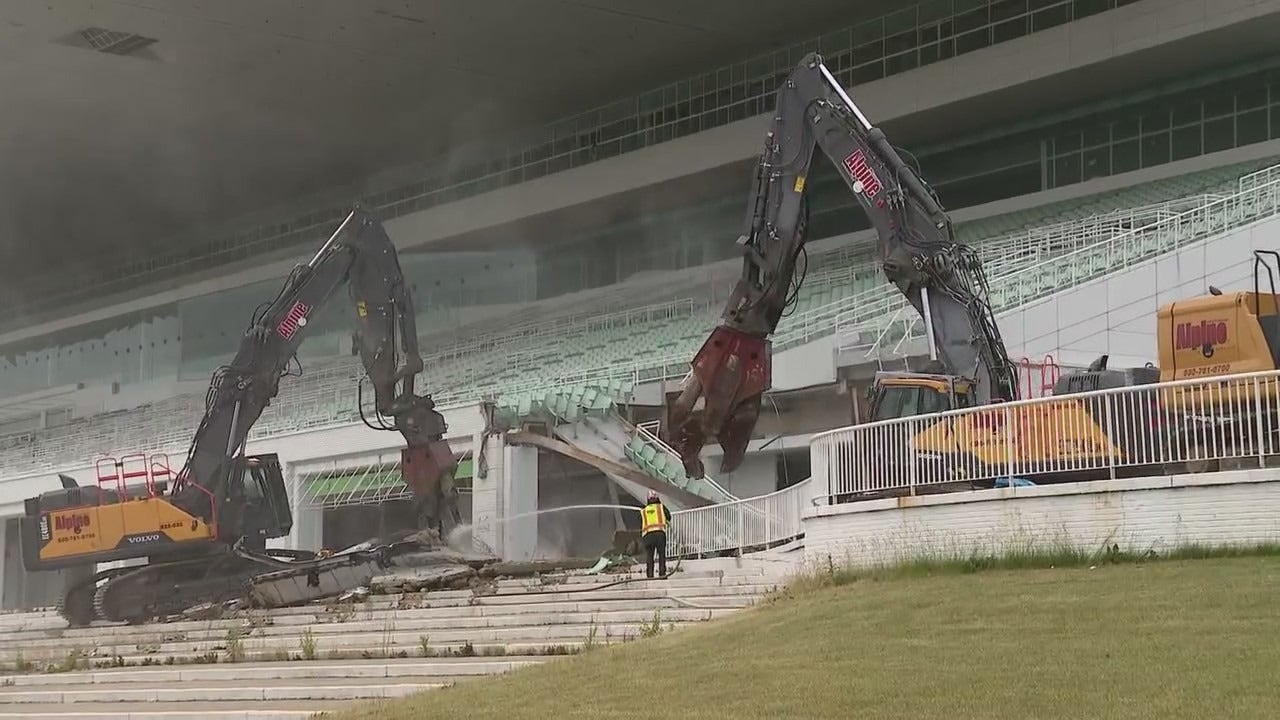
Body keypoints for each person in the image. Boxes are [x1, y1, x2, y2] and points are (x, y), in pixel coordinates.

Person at [640, 491, 672, 579]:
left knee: (649, 556)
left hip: (648, 536)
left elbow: (641, 522)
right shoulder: (661, 507)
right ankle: (662, 574)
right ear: (657, 498)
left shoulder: (644, 511)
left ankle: (650, 575)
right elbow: (669, 516)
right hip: (659, 535)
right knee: (661, 555)